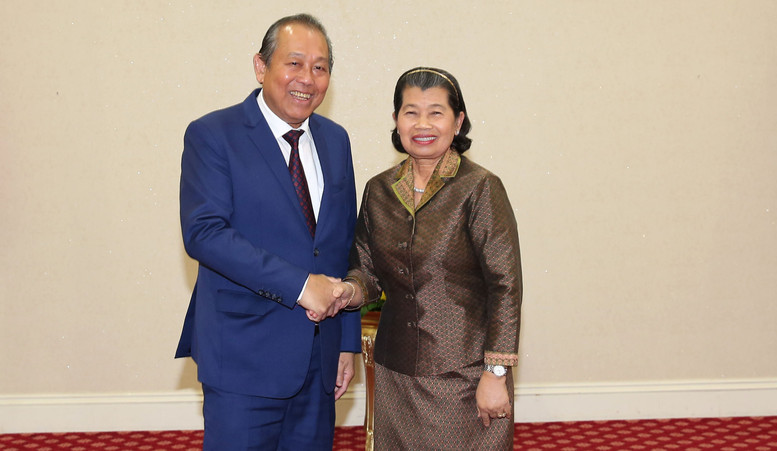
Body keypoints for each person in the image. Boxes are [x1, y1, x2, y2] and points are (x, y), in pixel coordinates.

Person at [175, 14, 360, 450]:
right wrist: (301, 286)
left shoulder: (336, 140)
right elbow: (204, 232)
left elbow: (344, 246)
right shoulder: (213, 134)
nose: (307, 79)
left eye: (320, 67)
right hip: (243, 356)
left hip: (320, 357)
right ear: (261, 67)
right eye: (294, 63)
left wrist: (346, 343)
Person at [337, 67, 523, 449]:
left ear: (458, 122)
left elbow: (505, 285)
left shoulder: (480, 188)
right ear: (396, 120)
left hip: (466, 376)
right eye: (411, 112)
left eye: (436, 112)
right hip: (395, 373)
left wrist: (496, 372)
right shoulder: (379, 191)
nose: (423, 123)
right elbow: (366, 271)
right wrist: (344, 292)